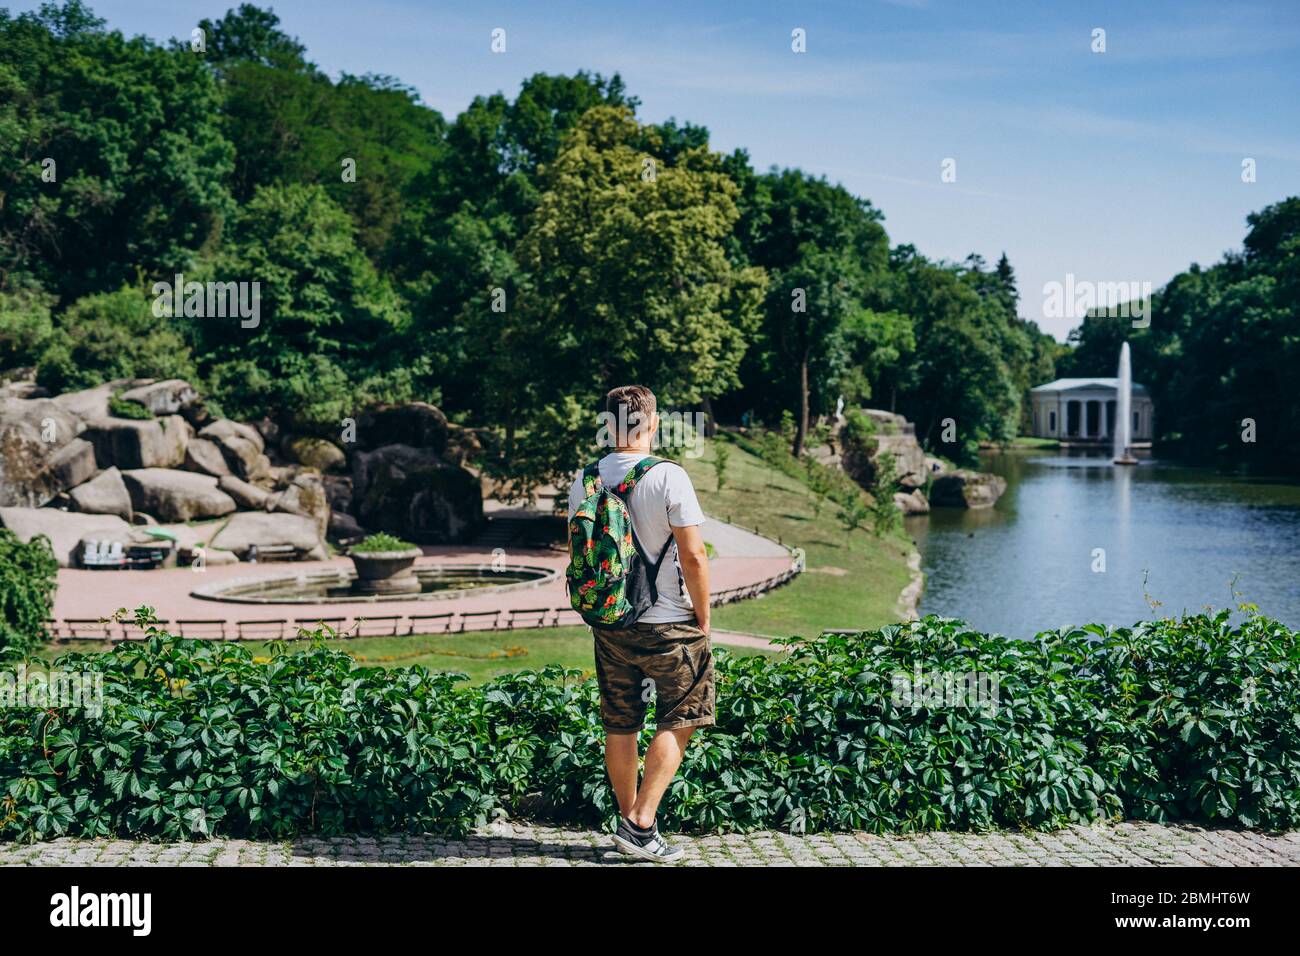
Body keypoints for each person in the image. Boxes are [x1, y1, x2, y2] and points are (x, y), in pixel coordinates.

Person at [566, 384, 712, 862]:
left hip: (610, 623)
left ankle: (632, 831)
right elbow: (693, 554)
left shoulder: (584, 481)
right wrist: (704, 619)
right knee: (686, 715)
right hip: (668, 622)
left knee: (620, 722)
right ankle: (642, 822)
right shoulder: (670, 477)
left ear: (609, 425)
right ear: (653, 423)